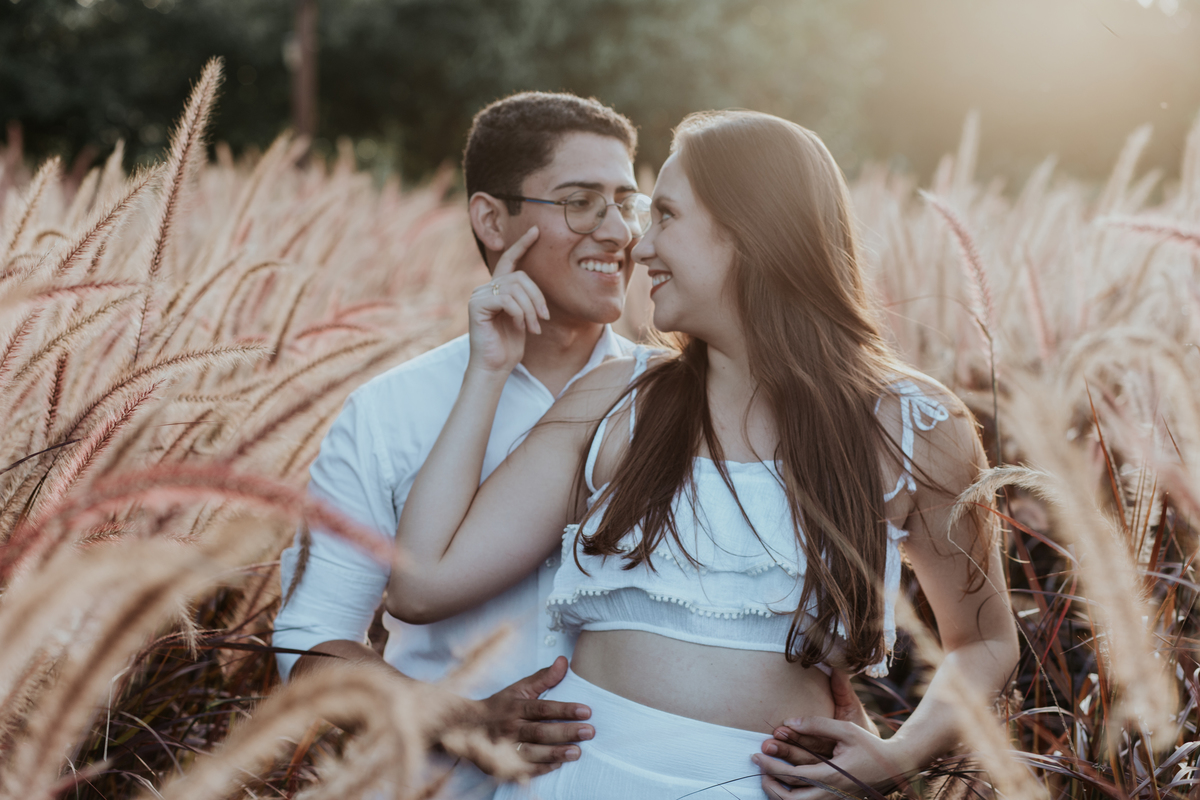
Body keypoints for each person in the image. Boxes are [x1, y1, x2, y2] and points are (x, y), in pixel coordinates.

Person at [385, 109, 1020, 799]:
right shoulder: (614, 399)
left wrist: (901, 755)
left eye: (664, 216)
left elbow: (984, 642)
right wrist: (487, 369)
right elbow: (420, 586)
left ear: (749, 230)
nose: (638, 245)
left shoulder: (912, 420)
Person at [273, 94, 870, 798]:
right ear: (492, 220)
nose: (619, 232)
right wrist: (457, 718)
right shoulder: (388, 412)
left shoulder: (697, 397)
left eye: (631, 202)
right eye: (582, 202)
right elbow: (308, 646)